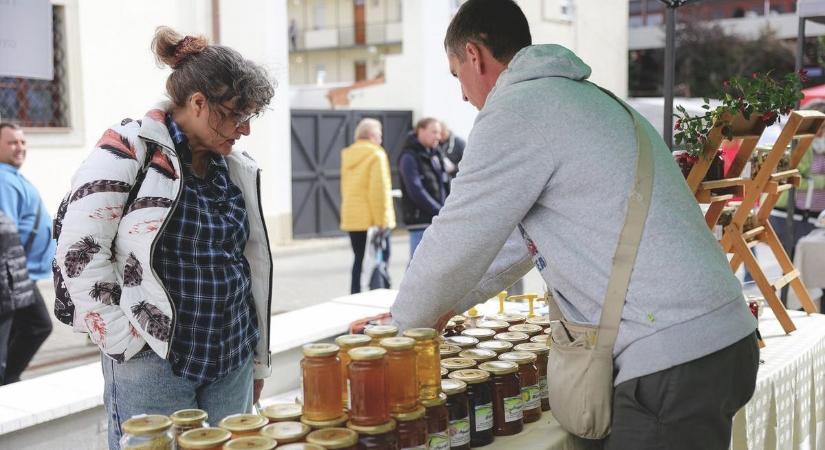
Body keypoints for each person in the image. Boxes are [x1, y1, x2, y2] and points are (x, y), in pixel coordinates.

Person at [390, 1, 758, 449]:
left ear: (474, 55)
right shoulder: (578, 99)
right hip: (714, 339)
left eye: (456, 76)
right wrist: (438, 309)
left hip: (673, 355)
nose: (462, 96)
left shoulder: (515, 111)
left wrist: (400, 331)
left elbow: (456, 238)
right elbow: (506, 247)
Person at [52, 27, 275, 449]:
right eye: (236, 115)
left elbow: (249, 263)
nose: (244, 130)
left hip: (232, 356)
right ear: (197, 103)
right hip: (153, 361)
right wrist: (125, 339)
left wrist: (256, 362)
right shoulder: (128, 148)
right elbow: (77, 251)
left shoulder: (234, 167)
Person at [0, 123, 54, 385]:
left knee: (26, 328)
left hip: (21, 275)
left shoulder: (11, 176)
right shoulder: (3, 179)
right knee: (36, 325)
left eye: (22, 142)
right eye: (12, 142)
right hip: (14, 277)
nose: (20, 147)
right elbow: (5, 229)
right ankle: (7, 380)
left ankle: (8, 378)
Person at [339, 118, 396, 294]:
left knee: (359, 259)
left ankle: (355, 295)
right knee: (380, 261)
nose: (381, 139)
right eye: (379, 135)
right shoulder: (376, 155)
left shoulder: (348, 154)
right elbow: (378, 191)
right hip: (373, 220)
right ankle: (380, 295)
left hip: (353, 217)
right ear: (372, 135)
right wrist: (381, 221)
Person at [398, 117, 448, 259]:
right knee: (417, 266)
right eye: (434, 132)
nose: (438, 136)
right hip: (420, 221)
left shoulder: (435, 154)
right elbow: (416, 190)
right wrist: (438, 211)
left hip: (438, 218)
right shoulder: (409, 157)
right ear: (420, 131)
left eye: (439, 133)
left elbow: (444, 184)